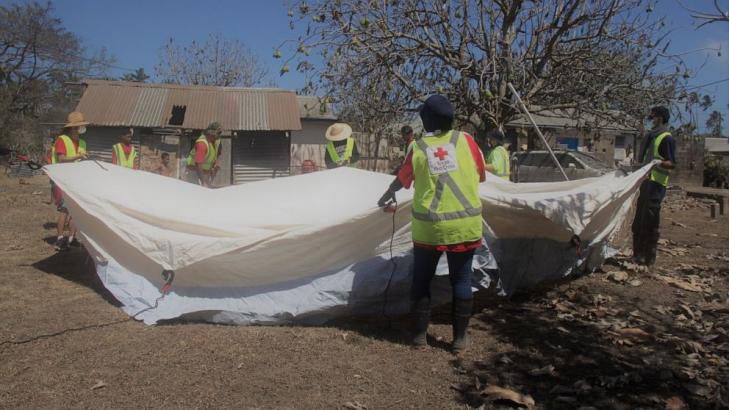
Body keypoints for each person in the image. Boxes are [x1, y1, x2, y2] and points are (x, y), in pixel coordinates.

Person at [377, 95, 486, 353]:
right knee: (461, 280)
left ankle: (418, 337)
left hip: (430, 228)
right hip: (465, 226)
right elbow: (480, 175)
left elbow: (402, 179)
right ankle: (459, 340)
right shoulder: (467, 141)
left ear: (426, 119)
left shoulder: (418, 147)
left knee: (422, 280)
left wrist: (387, 193)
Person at [632, 106, 676, 267]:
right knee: (638, 221)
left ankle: (648, 258)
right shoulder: (649, 136)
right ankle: (637, 255)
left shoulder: (666, 138)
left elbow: (672, 163)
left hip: (657, 185)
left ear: (661, 118)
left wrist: (659, 163)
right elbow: (644, 160)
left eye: (655, 116)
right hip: (645, 183)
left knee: (650, 222)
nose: (652, 118)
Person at [50, 111, 89, 251]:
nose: (83, 128)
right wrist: (77, 157)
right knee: (65, 210)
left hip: (77, 181)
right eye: (80, 126)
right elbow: (61, 158)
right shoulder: (62, 140)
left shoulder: (83, 142)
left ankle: (72, 238)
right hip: (62, 180)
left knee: (75, 211)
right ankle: (60, 239)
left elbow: (80, 159)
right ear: (73, 128)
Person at [186, 122, 222, 187]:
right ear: (212, 133)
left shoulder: (214, 141)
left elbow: (218, 153)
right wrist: (203, 181)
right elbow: (198, 164)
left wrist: (216, 163)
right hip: (194, 172)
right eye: (218, 133)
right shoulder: (202, 144)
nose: (219, 136)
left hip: (204, 172)